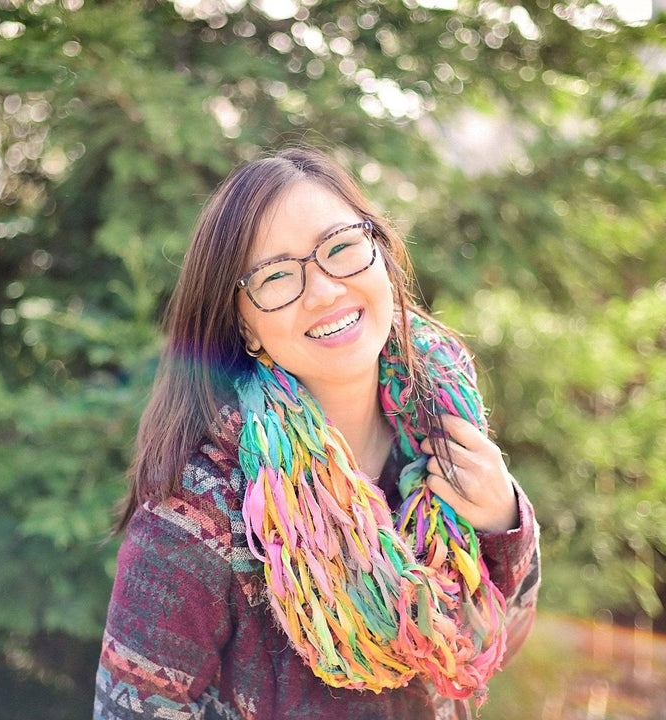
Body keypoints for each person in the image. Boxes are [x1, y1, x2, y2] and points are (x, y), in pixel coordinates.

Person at [93, 146, 540, 720]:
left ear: (381, 253)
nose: (325, 290)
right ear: (245, 326)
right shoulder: (197, 512)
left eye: (342, 248)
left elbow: (498, 641)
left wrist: (502, 520)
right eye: (277, 276)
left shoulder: (442, 420)